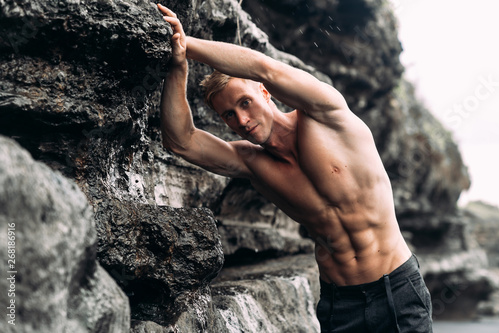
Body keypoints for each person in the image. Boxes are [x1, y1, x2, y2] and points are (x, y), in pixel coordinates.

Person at [156, 4, 433, 333]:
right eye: (228, 115)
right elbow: (181, 140)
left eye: (245, 102)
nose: (242, 120)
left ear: (264, 92)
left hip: (397, 291)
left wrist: (187, 44)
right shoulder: (253, 163)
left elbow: (265, 67)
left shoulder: (324, 113)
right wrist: (177, 66)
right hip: (339, 304)